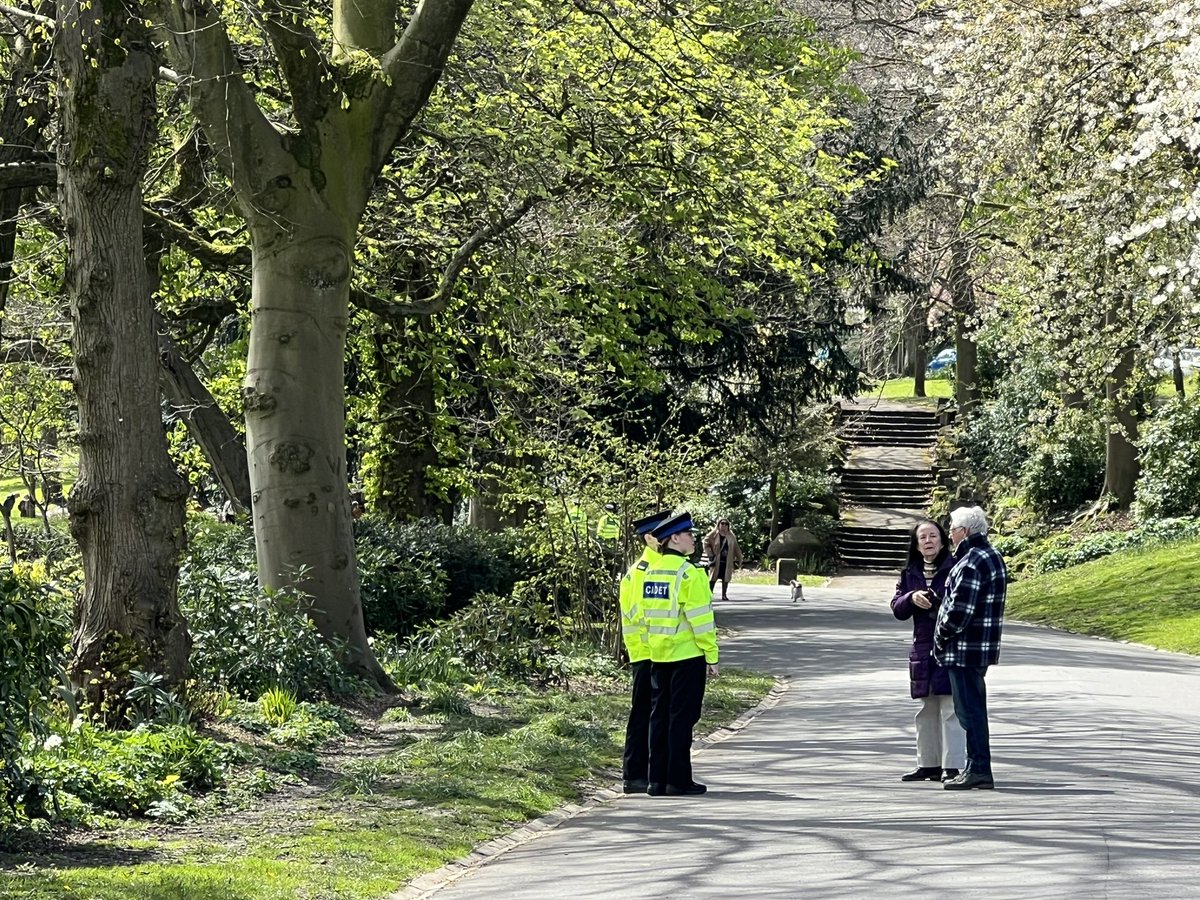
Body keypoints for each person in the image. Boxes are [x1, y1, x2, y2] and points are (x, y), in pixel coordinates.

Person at [644, 511, 719, 796]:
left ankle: (656, 780)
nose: (694, 538)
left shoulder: (651, 571)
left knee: (659, 718)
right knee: (682, 719)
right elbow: (701, 620)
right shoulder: (689, 574)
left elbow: (644, 616)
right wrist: (711, 656)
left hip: (658, 655)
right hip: (687, 656)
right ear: (674, 538)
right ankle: (678, 779)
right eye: (689, 534)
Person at [934, 505, 1008, 791]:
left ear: (964, 532)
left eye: (951, 530)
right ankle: (975, 767)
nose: (950, 536)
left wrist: (940, 636)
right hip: (979, 648)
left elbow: (959, 611)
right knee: (973, 708)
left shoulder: (972, 560)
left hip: (964, 649)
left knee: (969, 711)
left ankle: (978, 768)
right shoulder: (990, 555)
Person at [891, 519, 965, 783]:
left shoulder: (955, 566)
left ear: (942, 540)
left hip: (950, 642)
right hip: (922, 645)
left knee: (950, 706)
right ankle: (928, 763)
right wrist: (911, 598)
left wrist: (938, 599)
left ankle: (952, 765)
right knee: (925, 708)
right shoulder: (909, 572)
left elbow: (963, 600)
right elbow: (897, 608)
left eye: (933, 536)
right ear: (917, 544)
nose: (928, 541)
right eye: (923, 538)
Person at [617, 509, 671, 794]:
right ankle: (635, 774)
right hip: (647, 653)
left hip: (655, 652)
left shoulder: (658, 566)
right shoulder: (643, 571)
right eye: (663, 534)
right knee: (643, 714)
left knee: (652, 713)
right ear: (650, 538)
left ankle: (645, 772)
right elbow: (642, 615)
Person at [702, 518, 742, 601]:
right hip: (716, 560)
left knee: (726, 578)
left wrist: (739, 559)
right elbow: (705, 543)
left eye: (726, 524)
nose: (724, 525)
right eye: (722, 523)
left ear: (728, 526)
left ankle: (724, 595)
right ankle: (709, 594)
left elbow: (736, 548)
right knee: (713, 578)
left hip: (727, 561)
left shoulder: (731, 536)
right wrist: (710, 554)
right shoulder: (713, 534)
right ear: (718, 525)